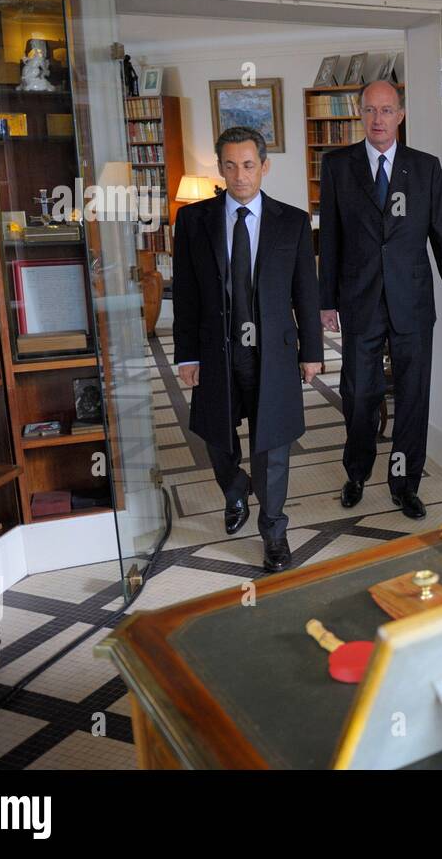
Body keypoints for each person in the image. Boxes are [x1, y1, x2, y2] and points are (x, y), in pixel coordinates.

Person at [173, 126, 322, 571]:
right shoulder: (193, 221)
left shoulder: (292, 221)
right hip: (217, 350)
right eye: (231, 166)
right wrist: (186, 354)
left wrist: (311, 352)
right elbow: (185, 292)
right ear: (220, 168)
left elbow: (306, 293)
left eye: (249, 165)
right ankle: (235, 488)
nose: (241, 176)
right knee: (217, 437)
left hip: (272, 352)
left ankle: (274, 532)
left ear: (265, 166)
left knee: (273, 444)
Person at [319, 80, 442, 519]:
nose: (378, 119)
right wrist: (326, 300)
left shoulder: (425, 168)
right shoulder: (337, 166)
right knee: (359, 393)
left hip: (413, 303)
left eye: (386, 111)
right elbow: (329, 239)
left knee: (412, 395)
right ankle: (357, 471)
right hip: (359, 301)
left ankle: (405, 483)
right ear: (360, 114)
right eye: (370, 110)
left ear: (400, 115)